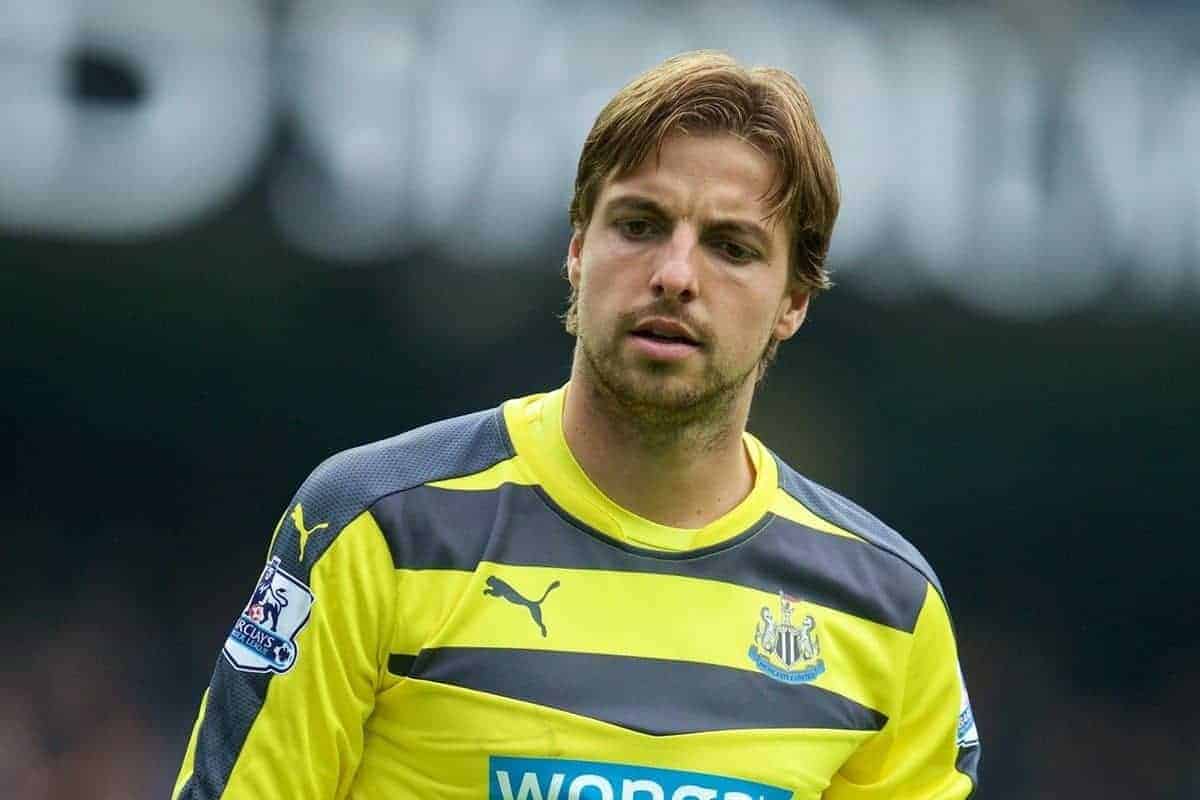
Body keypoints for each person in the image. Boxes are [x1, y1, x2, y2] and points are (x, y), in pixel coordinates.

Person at [173, 50, 980, 799]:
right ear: (576, 249)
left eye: (731, 247)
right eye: (638, 225)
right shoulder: (378, 527)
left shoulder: (890, 611)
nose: (673, 276)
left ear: (794, 302)